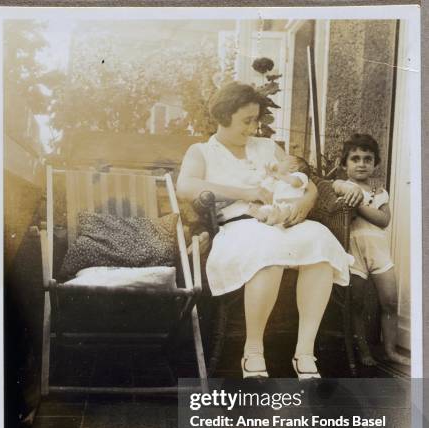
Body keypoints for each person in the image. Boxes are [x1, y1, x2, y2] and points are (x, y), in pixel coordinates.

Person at [176, 82, 355, 379]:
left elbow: (304, 181)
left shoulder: (266, 147)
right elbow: (186, 187)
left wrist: (307, 203)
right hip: (240, 228)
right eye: (246, 120)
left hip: (285, 222)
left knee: (320, 243)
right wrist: (245, 192)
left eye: (256, 119)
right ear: (223, 116)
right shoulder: (203, 151)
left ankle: (305, 353)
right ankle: (253, 351)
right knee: (267, 253)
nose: (254, 127)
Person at [332, 133, 410, 366]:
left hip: (379, 252)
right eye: (355, 159)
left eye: (368, 159)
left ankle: (391, 350)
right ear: (344, 164)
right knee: (356, 303)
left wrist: (360, 204)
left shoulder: (380, 192)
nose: (362, 163)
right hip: (354, 251)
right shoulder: (343, 187)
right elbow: (338, 198)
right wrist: (346, 190)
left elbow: (384, 219)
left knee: (389, 302)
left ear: (375, 163)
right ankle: (363, 350)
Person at [248, 156, 310, 226]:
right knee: (266, 209)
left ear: (293, 167)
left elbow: (295, 182)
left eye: (282, 161)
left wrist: (276, 174)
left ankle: (273, 219)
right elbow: (270, 187)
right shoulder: (281, 180)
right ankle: (260, 215)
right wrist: (269, 176)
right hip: (277, 206)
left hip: (291, 206)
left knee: (285, 211)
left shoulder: (300, 176)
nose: (278, 163)